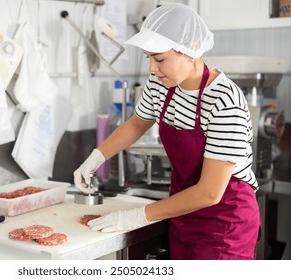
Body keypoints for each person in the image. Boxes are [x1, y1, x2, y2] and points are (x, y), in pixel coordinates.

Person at [73, 3, 261, 260]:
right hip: (182, 213)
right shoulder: (161, 83)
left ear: (190, 52)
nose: (152, 67)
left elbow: (210, 192)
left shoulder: (224, 100)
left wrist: (137, 216)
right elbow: (137, 123)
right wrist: (96, 157)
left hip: (224, 223)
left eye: (159, 59)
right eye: (148, 57)